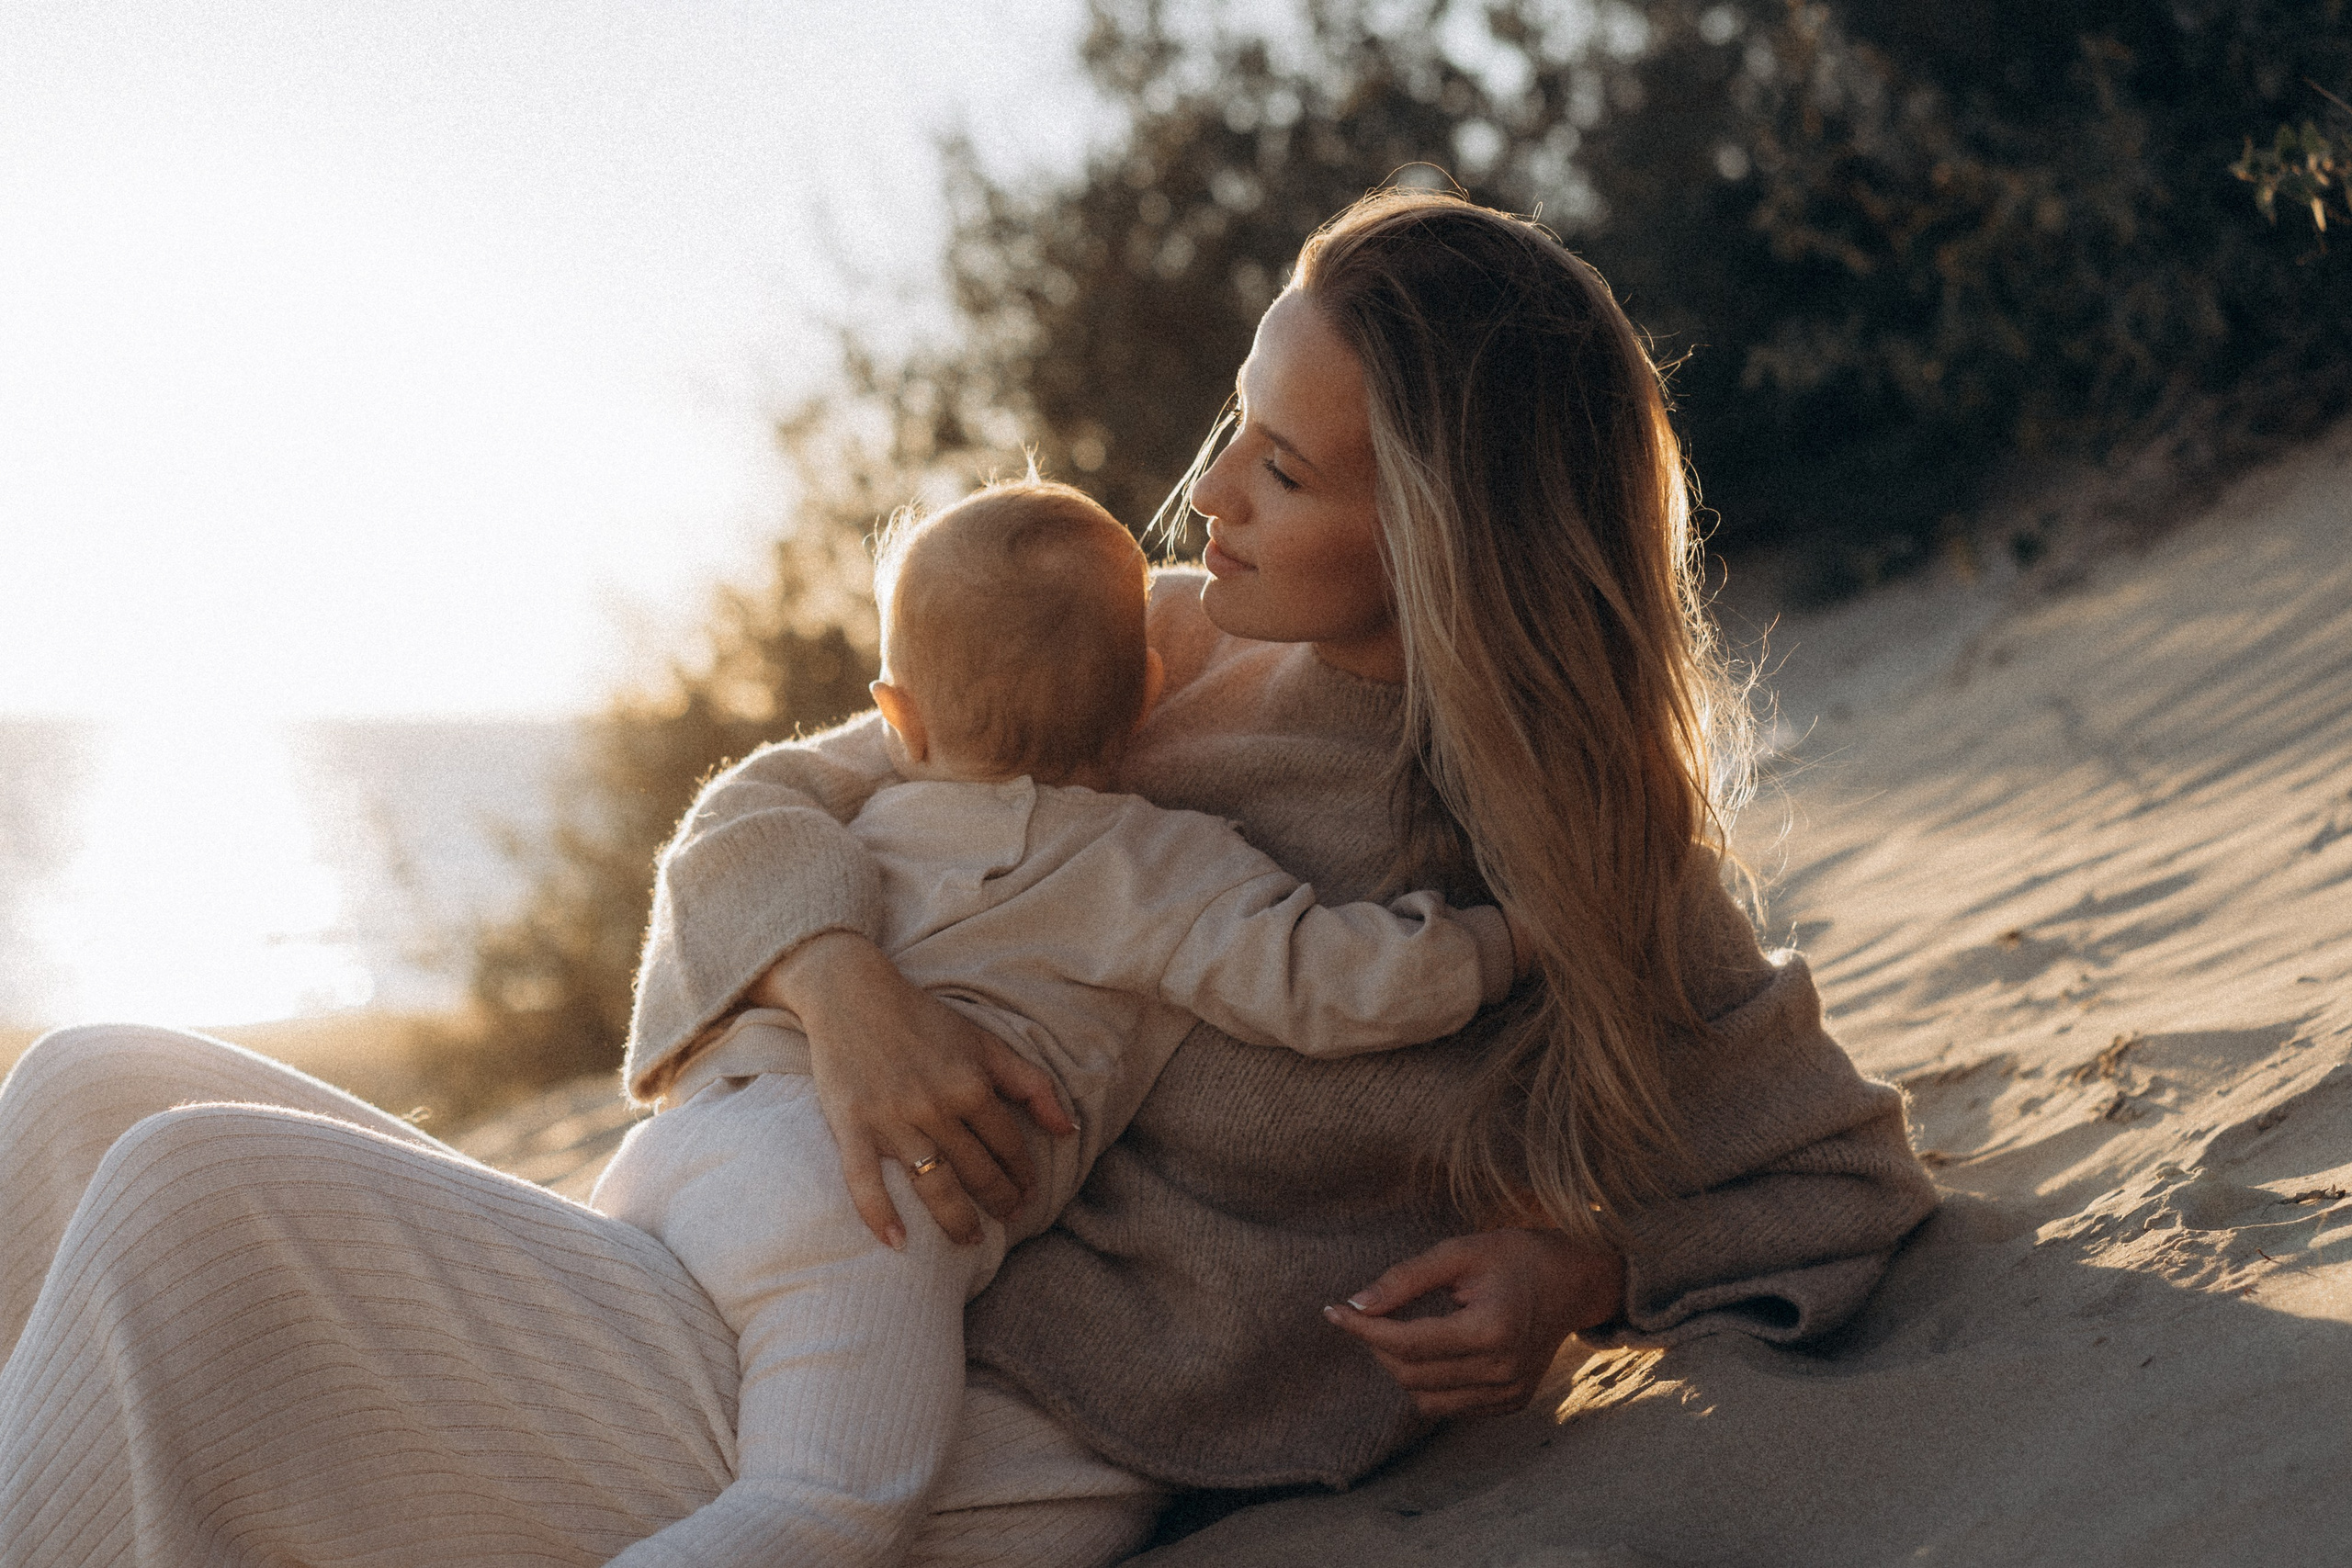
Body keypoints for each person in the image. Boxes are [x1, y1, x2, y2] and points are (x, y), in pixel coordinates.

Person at [0, 186, 1935, 1568]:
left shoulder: (1568, 861)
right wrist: (851, 997)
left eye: (1278, 469)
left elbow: (1836, 1168)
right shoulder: (1152, 646)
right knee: (86, 1081)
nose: (1202, 502)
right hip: (753, 1240)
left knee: (189, 1206)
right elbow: (762, 804)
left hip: (932, 1428)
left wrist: (1572, 1266)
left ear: (1435, 534)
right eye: (1228, 430)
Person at [585, 479, 1521, 1564]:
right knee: (821, 1508)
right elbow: (1337, 981)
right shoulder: (1157, 862)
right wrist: (1510, 938)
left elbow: (747, 823)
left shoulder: (869, 803)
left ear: (898, 715)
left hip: (680, 1145)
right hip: (854, 1201)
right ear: (1148, 697)